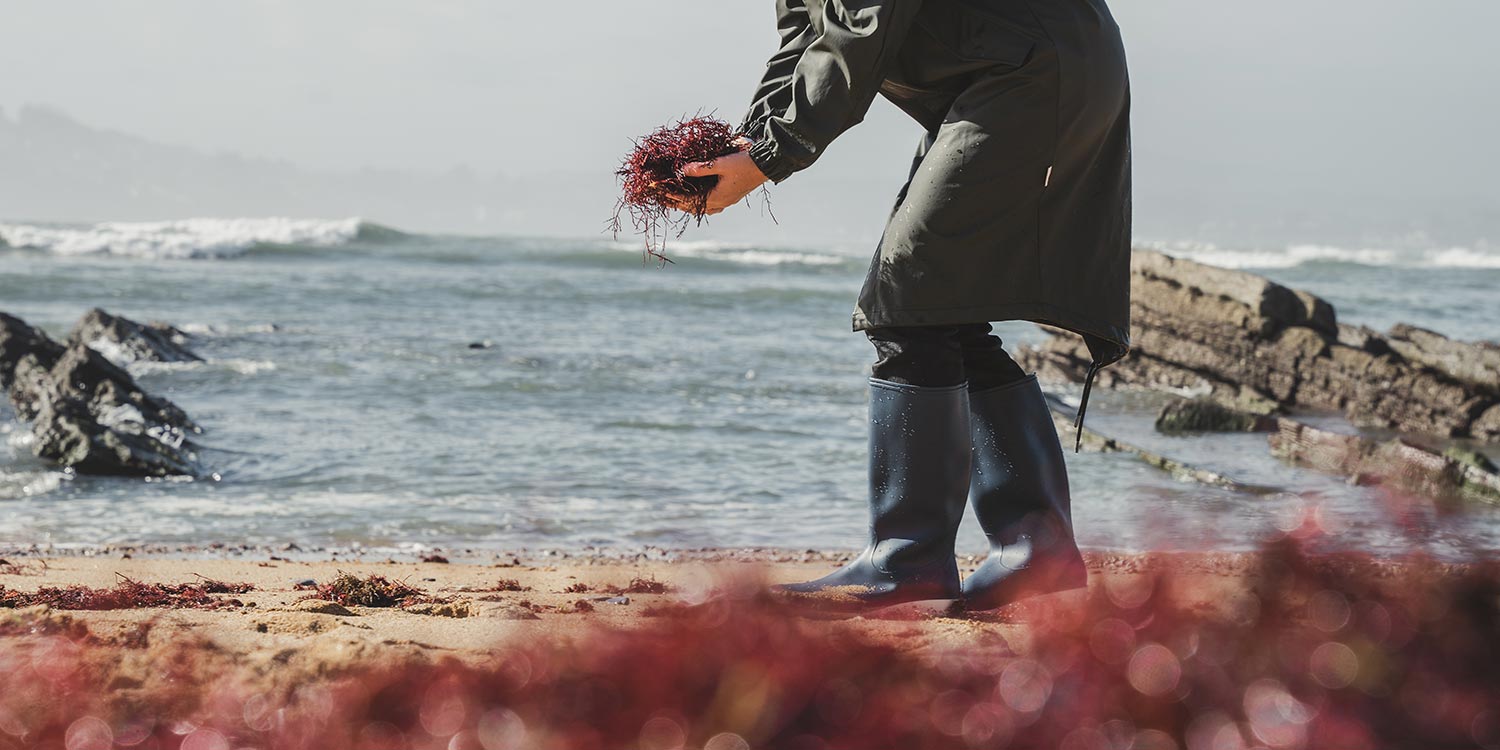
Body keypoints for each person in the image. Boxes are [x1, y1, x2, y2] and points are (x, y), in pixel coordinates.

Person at [673, 0, 1132, 613]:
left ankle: (908, 560)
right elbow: (805, 36)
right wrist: (747, 143)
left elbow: (864, 23)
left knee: (907, 294)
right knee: (942, 307)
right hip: (1008, 72)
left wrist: (768, 157)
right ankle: (1034, 545)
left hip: (1030, 72)